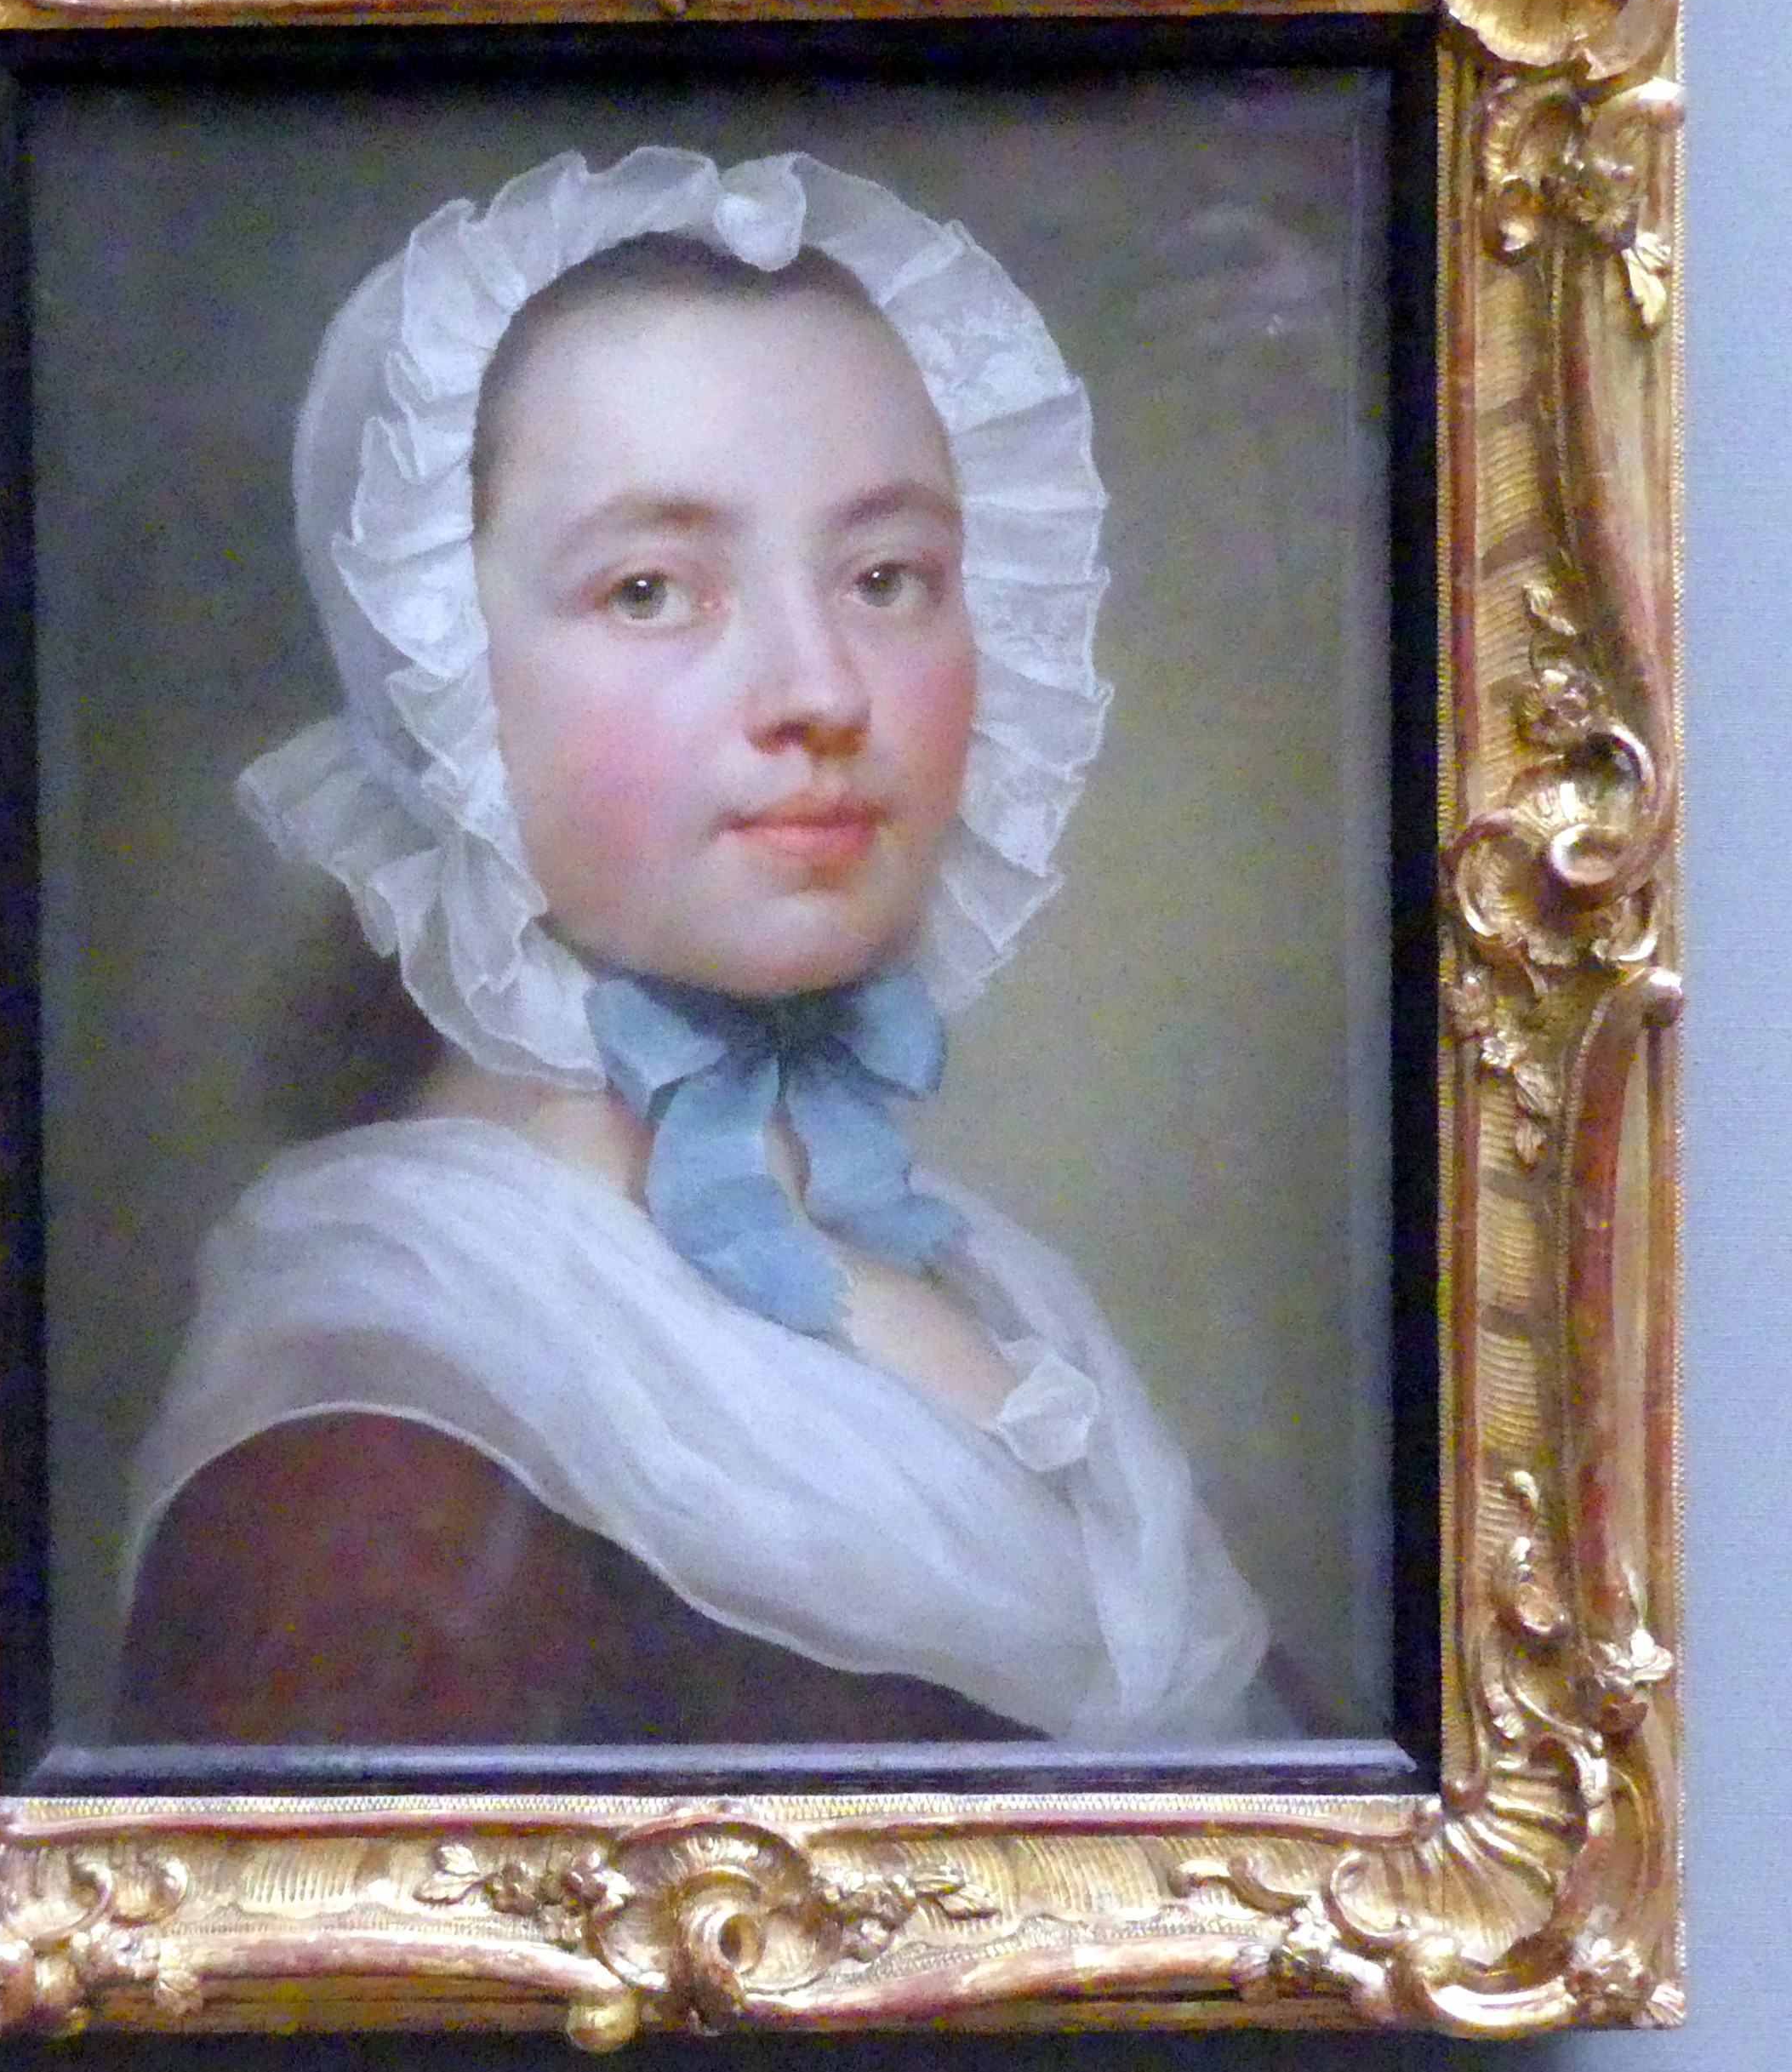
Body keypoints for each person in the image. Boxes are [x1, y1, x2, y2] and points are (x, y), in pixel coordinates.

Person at [117, 148, 1282, 1747]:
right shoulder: (368, 1479)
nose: (822, 690)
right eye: (652, 589)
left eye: (887, 577)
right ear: (432, 662)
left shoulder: (969, 1280)